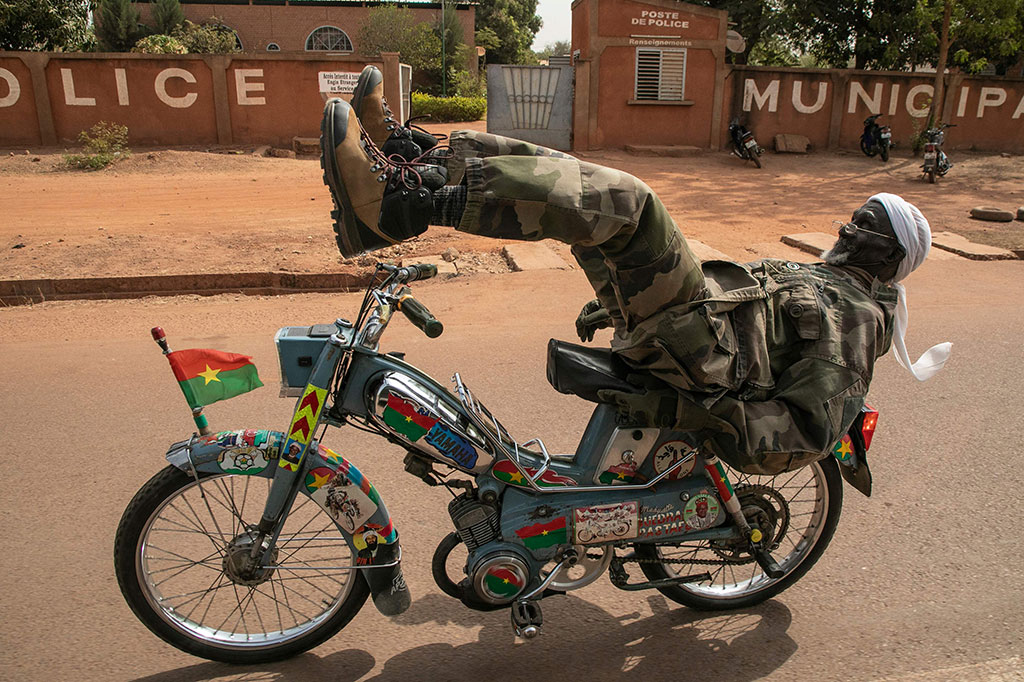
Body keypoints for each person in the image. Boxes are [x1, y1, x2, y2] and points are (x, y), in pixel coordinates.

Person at [319, 66, 951, 476]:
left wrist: (687, 417)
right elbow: (753, 298)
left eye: (866, 226)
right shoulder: (825, 281)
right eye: (854, 217)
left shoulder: (859, 317)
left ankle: (402, 203)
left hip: (706, 354)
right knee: (576, 197)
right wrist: (617, 299)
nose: (847, 229)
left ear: (891, 257)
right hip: (695, 323)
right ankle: (415, 164)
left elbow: (805, 435)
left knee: (627, 202)